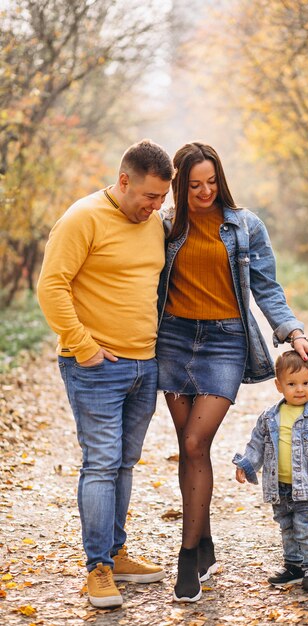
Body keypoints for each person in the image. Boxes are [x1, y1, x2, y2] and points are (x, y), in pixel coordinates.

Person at [156, 142, 308, 603]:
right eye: (193, 185)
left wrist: (294, 333)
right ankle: (204, 544)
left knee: (194, 442)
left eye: (211, 181)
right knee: (189, 448)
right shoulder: (164, 226)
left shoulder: (245, 225)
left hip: (226, 342)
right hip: (172, 338)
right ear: (178, 186)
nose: (204, 191)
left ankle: (188, 555)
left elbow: (268, 288)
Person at [37, 139, 174, 609]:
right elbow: (50, 285)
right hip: (95, 367)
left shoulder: (154, 223)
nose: (154, 207)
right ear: (123, 181)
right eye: (148, 196)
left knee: (124, 462)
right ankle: (97, 568)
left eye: (161, 199)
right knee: (100, 462)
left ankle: (116, 554)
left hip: (144, 365)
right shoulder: (82, 218)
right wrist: (84, 346)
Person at [234, 350, 308, 591]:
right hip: (280, 487)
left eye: (306, 383)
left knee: (305, 529)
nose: (300, 389)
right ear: (279, 385)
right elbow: (256, 445)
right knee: (287, 527)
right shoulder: (269, 418)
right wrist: (246, 465)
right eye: (292, 384)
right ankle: (294, 566)